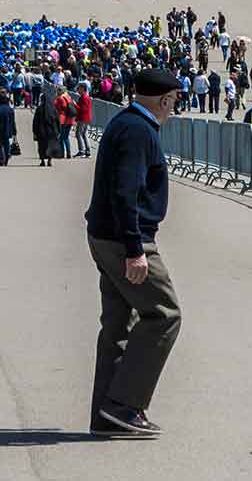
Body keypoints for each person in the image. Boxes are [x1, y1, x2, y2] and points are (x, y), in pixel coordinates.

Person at [83, 67, 181, 437]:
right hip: (126, 240)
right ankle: (124, 405)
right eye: (174, 102)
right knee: (164, 314)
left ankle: (106, 416)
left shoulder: (123, 121)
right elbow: (126, 192)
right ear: (165, 100)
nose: (174, 110)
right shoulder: (140, 131)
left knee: (118, 324)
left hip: (106, 235)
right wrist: (135, 249)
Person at [0, 87, 17, 167]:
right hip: (7, 129)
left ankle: (1, 160)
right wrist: (14, 131)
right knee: (6, 144)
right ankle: (6, 158)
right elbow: (12, 121)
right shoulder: (10, 109)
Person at [32, 88, 59, 167]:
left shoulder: (39, 109)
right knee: (50, 146)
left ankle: (42, 161)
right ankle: (50, 160)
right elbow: (57, 121)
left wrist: (34, 132)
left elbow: (35, 122)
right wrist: (58, 131)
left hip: (41, 132)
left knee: (41, 146)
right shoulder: (53, 109)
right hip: (52, 131)